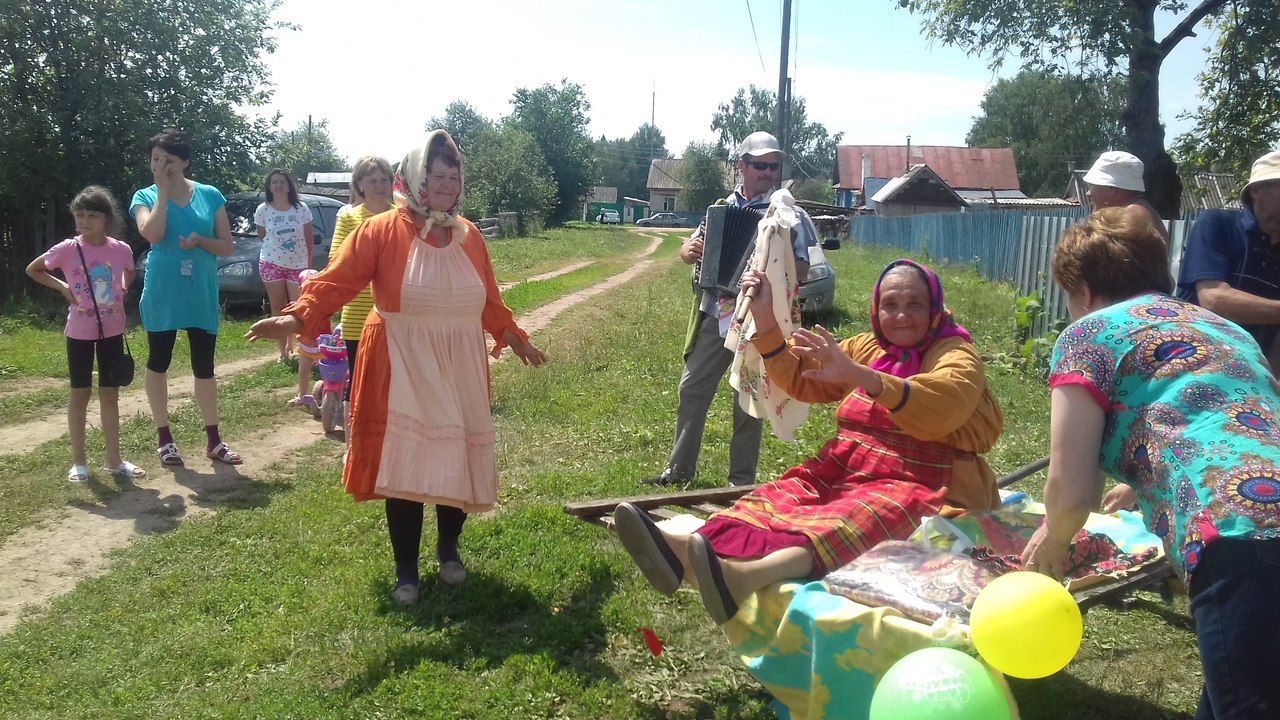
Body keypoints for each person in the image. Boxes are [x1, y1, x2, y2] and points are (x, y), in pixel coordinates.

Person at [246, 130, 546, 604]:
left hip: (459, 362)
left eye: (453, 175)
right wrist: (295, 316)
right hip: (400, 359)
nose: (447, 184)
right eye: (437, 175)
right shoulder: (381, 230)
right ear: (416, 179)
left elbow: (488, 301)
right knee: (403, 464)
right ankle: (406, 570)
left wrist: (515, 339)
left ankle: (449, 551)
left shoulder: (469, 237)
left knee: (456, 455)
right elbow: (337, 281)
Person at [618, 259, 1004, 624]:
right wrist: (766, 318)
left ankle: (741, 578)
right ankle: (685, 551)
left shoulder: (955, 354)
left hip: (927, 478)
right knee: (779, 498)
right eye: (890, 304)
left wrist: (864, 378)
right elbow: (804, 377)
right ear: (876, 308)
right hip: (852, 464)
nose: (901, 315)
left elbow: (943, 403)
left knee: (856, 514)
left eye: (914, 304)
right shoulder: (869, 347)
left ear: (934, 309)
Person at [1022, 207, 1280, 719]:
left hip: (1242, 533)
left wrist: (1052, 541)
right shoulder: (1222, 328)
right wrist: (1144, 483)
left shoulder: (1088, 334)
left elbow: (1072, 489)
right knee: (1244, 686)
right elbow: (1222, 421)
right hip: (1258, 510)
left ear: (1083, 291)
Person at [644, 130, 812, 487]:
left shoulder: (785, 213)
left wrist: (773, 262)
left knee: (747, 401)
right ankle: (679, 471)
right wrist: (688, 252)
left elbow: (802, 268)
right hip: (715, 312)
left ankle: (741, 482)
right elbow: (691, 247)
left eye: (773, 165)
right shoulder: (721, 208)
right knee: (692, 389)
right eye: (760, 164)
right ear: (742, 165)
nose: (768, 172)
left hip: (757, 320)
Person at [130, 129, 242, 466]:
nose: (161, 166)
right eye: (156, 160)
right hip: (163, 290)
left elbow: (227, 245)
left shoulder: (210, 195)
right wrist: (162, 195)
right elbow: (152, 233)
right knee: (159, 360)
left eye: (168, 160)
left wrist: (201, 242)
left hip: (200, 290)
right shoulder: (144, 195)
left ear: (185, 162)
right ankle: (164, 438)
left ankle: (214, 441)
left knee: (204, 367)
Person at [25, 186, 145, 483]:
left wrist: (123, 285)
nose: (85, 220)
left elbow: (129, 270)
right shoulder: (67, 248)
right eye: (80, 214)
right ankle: (79, 462)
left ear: (107, 218)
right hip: (79, 331)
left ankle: (114, 459)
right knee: (80, 393)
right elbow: (34, 269)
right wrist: (63, 287)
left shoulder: (120, 249)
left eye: (92, 214)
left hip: (112, 329)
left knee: (110, 394)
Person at [1176, 150, 1280, 365]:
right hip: (1191, 364)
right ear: (1256, 190)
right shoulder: (1217, 224)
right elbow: (1214, 299)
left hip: (1251, 374)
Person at [329, 156, 394, 414]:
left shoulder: (403, 217)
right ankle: (352, 447)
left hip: (395, 315)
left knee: (394, 383)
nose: (379, 185)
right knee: (358, 383)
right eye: (372, 180)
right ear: (359, 185)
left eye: (384, 179)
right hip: (358, 316)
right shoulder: (348, 219)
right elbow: (337, 261)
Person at [254, 169, 314, 363]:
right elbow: (263, 235)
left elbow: (308, 239)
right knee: (278, 307)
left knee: (297, 307)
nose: (278, 186)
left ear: (289, 186)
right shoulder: (263, 210)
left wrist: (308, 266)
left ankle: (297, 347)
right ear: (269, 187)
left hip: (298, 264)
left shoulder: (301, 209)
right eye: (274, 182)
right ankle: (282, 351)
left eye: (282, 182)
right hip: (272, 262)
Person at [1082, 150, 1169, 241]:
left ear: (1111, 190)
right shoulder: (1130, 211)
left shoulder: (1135, 216)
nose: (1088, 193)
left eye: (1092, 186)